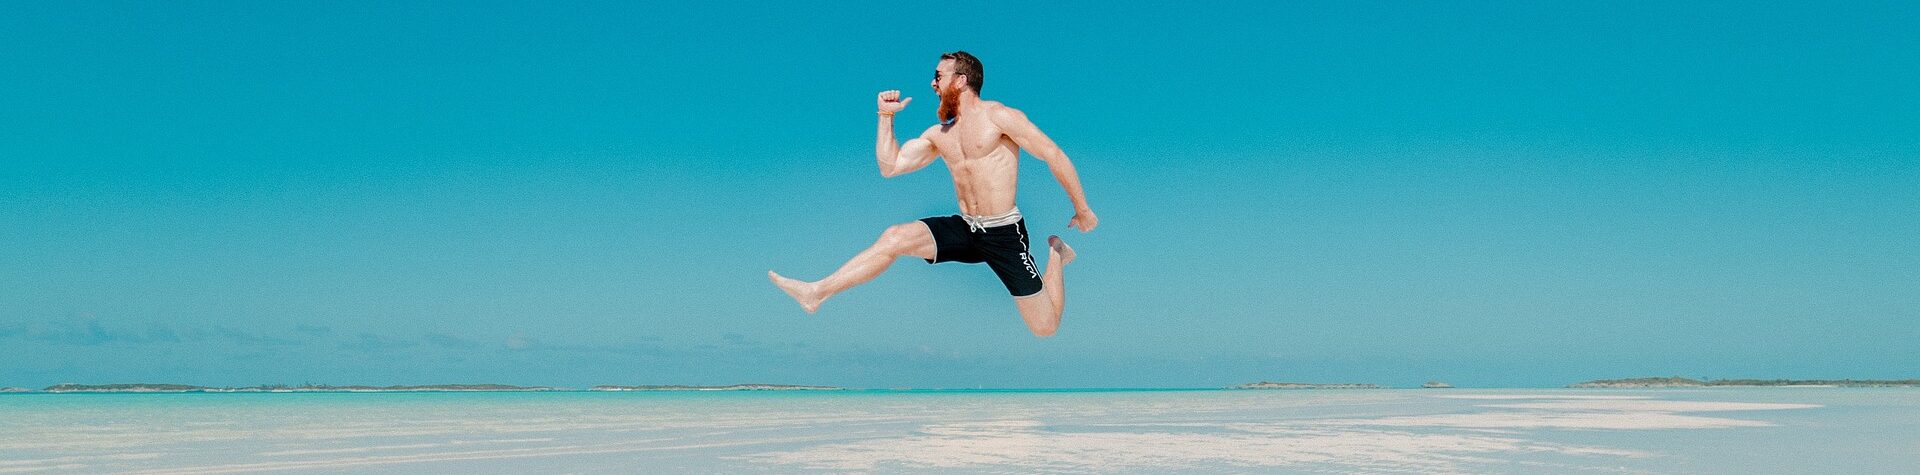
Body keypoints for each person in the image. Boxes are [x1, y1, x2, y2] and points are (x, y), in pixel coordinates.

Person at [768, 51, 1098, 337]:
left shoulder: (1000, 117)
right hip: (967, 228)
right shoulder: (941, 135)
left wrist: (1082, 209)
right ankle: (817, 293)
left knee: (1045, 328)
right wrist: (885, 117)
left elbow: (1053, 154)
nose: (932, 83)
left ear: (961, 80)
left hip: (1004, 234)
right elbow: (891, 166)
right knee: (894, 237)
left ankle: (1057, 255)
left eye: (938, 76)